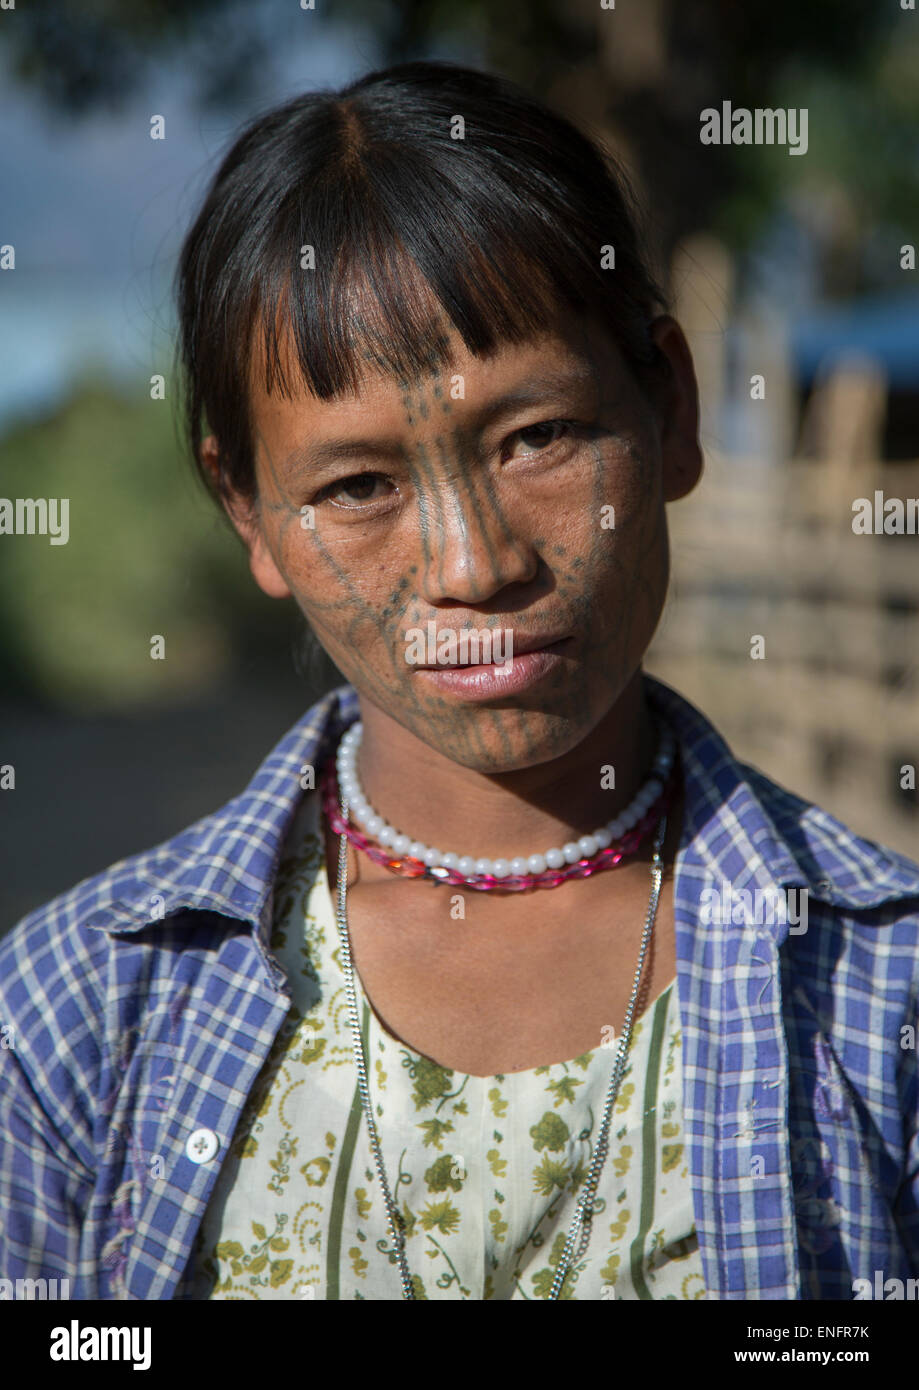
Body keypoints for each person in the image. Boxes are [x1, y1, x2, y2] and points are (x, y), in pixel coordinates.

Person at [1, 60, 918, 1303]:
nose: (473, 564)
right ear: (250, 515)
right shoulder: (73, 1015)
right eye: (357, 488)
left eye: (537, 437)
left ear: (671, 405)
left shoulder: (885, 997)